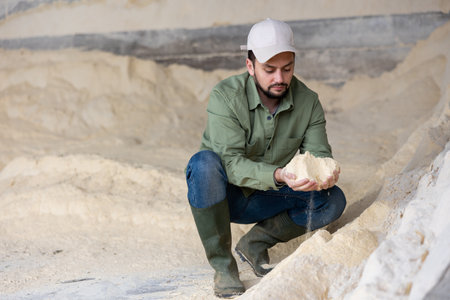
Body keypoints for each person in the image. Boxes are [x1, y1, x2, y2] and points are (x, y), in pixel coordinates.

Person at [185, 18, 346, 298]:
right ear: (250, 66)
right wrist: (278, 174)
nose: (280, 79)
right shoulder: (225, 96)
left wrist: (324, 173)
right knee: (203, 164)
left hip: (271, 195)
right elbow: (231, 163)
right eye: (269, 70)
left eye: (287, 69)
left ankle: (256, 243)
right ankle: (223, 266)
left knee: (333, 199)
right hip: (225, 196)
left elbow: (319, 155)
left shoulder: (308, 102)